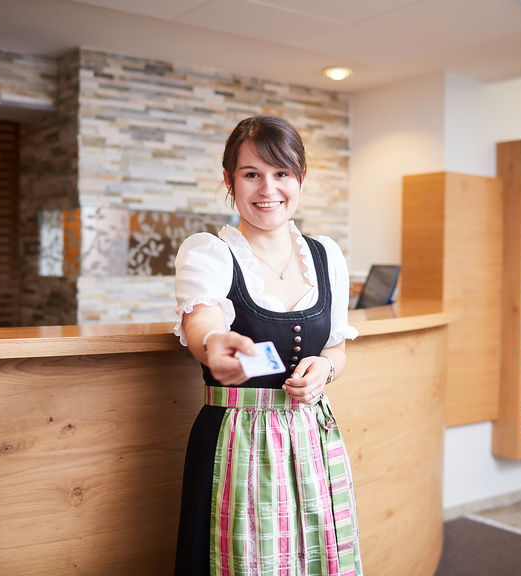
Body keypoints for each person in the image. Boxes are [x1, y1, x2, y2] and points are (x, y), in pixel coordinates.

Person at [173, 115, 363, 576]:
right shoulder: (209, 253)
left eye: (281, 173)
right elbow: (203, 324)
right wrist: (216, 345)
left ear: (300, 179)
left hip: (310, 437)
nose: (268, 188)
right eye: (251, 174)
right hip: (238, 441)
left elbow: (337, 347)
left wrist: (326, 368)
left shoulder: (326, 256)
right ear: (229, 181)